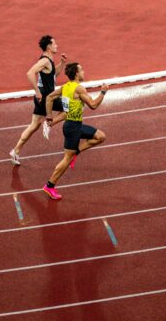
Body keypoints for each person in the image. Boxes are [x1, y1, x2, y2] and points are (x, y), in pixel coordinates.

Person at [41, 63, 108, 200]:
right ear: (76, 74)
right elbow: (93, 105)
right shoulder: (78, 89)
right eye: (81, 70)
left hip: (75, 125)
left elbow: (49, 98)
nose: (84, 71)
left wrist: (49, 117)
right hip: (72, 128)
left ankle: (76, 152)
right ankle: (49, 185)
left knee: (101, 137)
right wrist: (103, 92)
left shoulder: (66, 87)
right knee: (66, 159)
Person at [9, 35, 68, 165]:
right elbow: (30, 73)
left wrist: (62, 63)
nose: (56, 45)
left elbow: (53, 74)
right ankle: (49, 122)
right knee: (70, 108)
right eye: (54, 43)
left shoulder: (49, 60)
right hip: (47, 98)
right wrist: (37, 91)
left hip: (43, 98)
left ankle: (15, 151)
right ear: (48, 46)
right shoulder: (45, 61)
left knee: (34, 125)